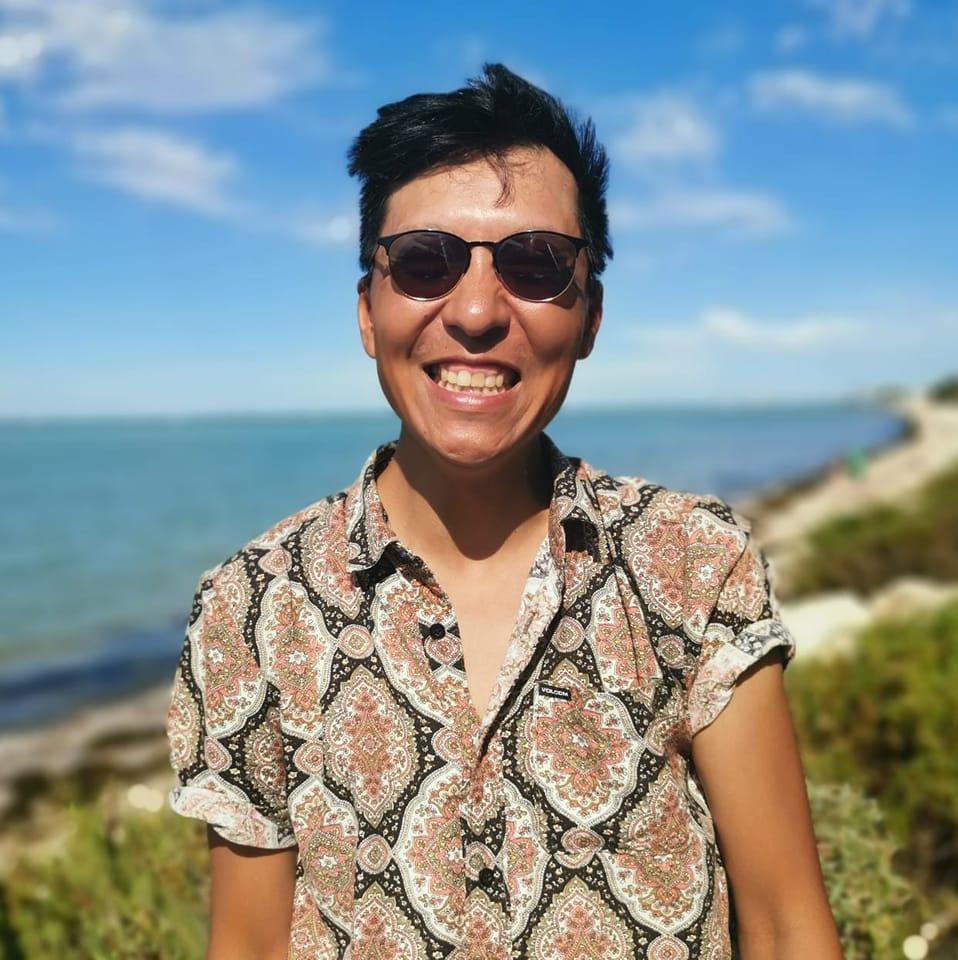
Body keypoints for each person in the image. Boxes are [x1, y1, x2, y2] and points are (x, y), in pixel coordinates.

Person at [164, 63, 844, 960]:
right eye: (424, 262)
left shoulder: (689, 561)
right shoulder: (253, 607)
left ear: (590, 315)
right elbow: (246, 948)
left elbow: (788, 926)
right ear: (367, 311)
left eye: (535, 265)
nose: (478, 311)